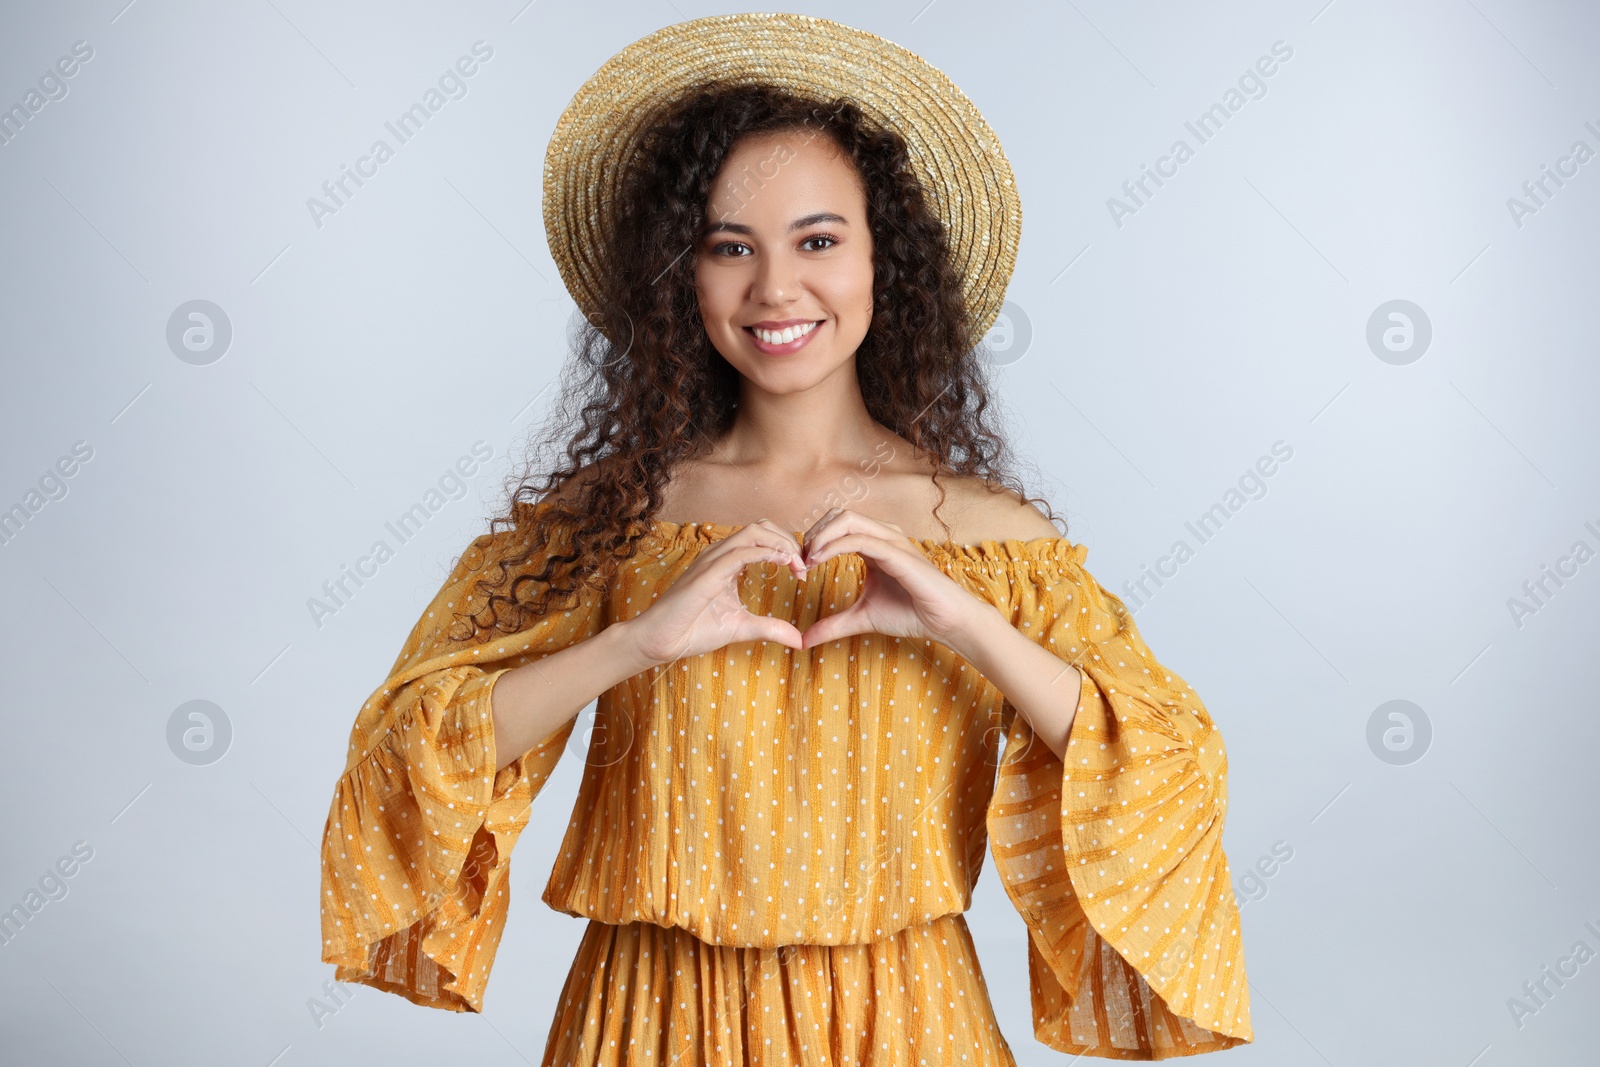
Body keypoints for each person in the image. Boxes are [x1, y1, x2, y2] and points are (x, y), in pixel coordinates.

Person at [318, 13, 1251, 1064]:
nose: (774, 288)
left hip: (907, 1022)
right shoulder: (612, 520)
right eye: (729, 247)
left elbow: (1171, 765)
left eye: (817, 239)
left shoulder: (992, 541)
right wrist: (632, 643)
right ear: (684, 277)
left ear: (880, 262)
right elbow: (409, 744)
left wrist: (969, 624)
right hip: (649, 1022)